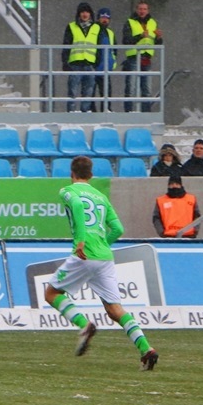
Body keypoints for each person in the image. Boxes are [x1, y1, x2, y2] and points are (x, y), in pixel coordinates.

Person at [43, 157, 158, 370]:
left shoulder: (68, 191)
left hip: (84, 254)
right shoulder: (101, 197)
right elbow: (118, 229)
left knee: (51, 294)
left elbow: (77, 205)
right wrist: (103, 243)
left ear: (72, 173)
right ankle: (146, 348)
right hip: (105, 257)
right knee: (115, 310)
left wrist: (81, 241)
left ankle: (83, 325)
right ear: (91, 175)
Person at [122, 0, 162, 112]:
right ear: (136, 10)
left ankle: (146, 114)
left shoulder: (153, 22)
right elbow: (126, 40)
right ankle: (129, 113)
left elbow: (157, 43)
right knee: (131, 88)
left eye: (144, 9)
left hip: (147, 58)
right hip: (134, 57)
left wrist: (159, 38)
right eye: (140, 9)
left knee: (147, 89)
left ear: (148, 10)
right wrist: (140, 36)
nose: (142, 11)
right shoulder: (130, 22)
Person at [63, 2, 99, 113]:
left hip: (90, 64)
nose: (85, 14)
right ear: (79, 14)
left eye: (87, 12)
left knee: (88, 92)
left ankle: (85, 113)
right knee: (73, 91)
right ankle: (71, 114)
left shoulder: (97, 28)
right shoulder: (71, 26)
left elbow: (100, 46)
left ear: (90, 14)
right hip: (75, 63)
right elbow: (66, 45)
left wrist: (97, 62)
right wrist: (65, 62)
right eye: (82, 12)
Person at [93, 7, 117, 106]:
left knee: (106, 94)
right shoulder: (93, 30)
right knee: (90, 94)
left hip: (105, 68)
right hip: (94, 67)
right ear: (98, 18)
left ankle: (106, 112)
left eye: (107, 18)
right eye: (102, 17)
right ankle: (92, 114)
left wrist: (112, 63)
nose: (105, 20)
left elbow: (114, 50)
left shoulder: (110, 33)